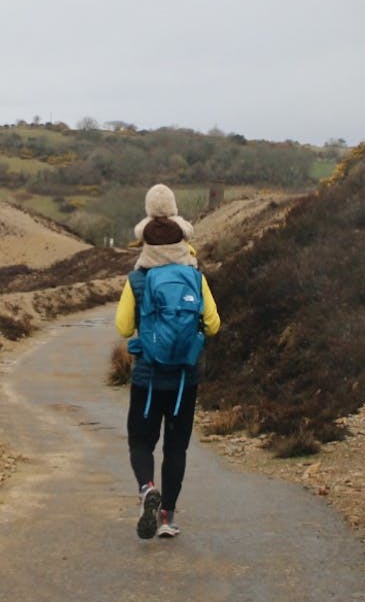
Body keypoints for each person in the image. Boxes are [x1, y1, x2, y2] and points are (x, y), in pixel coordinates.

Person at [116, 184, 220, 540]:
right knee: (176, 447)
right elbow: (214, 323)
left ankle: (147, 488)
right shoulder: (194, 275)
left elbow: (123, 326)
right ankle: (167, 518)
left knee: (140, 442)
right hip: (183, 380)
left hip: (147, 377)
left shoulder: (138, 278)